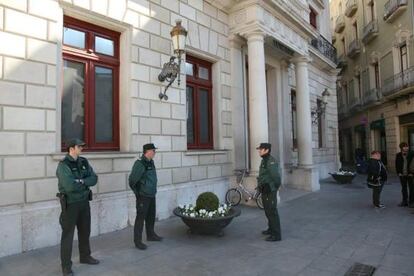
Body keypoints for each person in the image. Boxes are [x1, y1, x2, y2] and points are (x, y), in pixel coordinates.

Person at [56, 139, 99, 276]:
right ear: (72, 148)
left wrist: (80, 181)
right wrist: (84, 183)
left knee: (85, 231)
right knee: (68, 236)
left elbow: (94, 178)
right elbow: (69, 186)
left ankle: (85, 256)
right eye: (79, 146)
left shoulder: (84, 162)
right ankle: (66, 267)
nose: (82, 148)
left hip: (84, 202)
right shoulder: (63, 165)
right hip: (71, 204)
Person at [129, 143, 163, 250]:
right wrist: (138, 193)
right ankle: (138, 241)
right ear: (148, 151)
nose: (155, 153)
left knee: (151, 216)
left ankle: (151, 235)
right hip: (143, 196)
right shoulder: (140, 163)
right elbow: (132, 180)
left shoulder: (150, 162)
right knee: (140, 218)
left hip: (151, 194)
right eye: (153, 150)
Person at [256, 143, 282, 242]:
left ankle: (276, 235)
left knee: (272, 211)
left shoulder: (271, 161)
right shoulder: (264, 160)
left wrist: (275, 187)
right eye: (259, 149)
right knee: (267, 210)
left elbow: (276, 177)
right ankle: (271, 229)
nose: (259, 151)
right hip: (265, 189)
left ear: (267, 150)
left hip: (270, 190)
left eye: (261, 149)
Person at [396, 142, 414, 207]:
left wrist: (412, 173)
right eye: (404, 146)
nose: (406, 148)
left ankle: (411, 202)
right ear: (401, 148)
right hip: (402, 175)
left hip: (410, 174)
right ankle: (404, 201)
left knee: (412, 188)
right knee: (404, 188)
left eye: (407, 146)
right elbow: (397, 164)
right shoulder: (398, 155)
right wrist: (399, 173)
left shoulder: (412, 154)